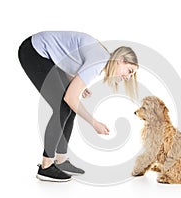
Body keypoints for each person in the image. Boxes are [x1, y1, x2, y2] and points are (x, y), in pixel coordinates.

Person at [18, 31, 139, 182]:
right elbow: (70, 98)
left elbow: (67, 58)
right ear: (120, 60)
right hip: (33, 51)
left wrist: (76, 81)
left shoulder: (101, 59)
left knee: (68, 108)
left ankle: (61, 161)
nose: (128, 77)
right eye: (129, 71)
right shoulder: (98, 62)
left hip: (48, 56)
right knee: (62, 106)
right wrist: (94, 123)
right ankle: (46, 166)